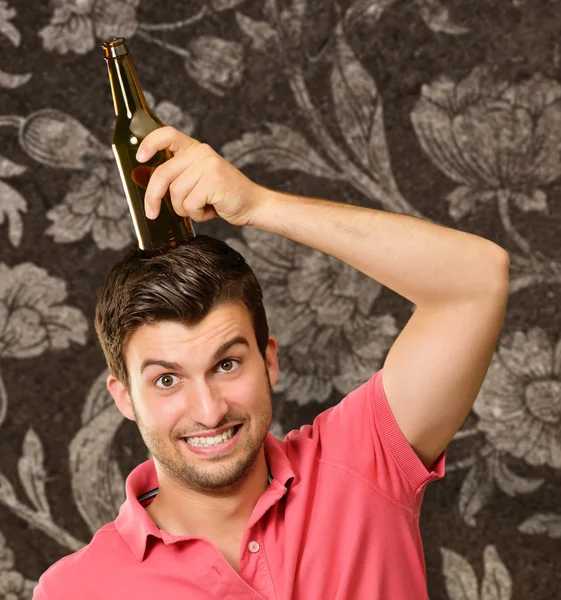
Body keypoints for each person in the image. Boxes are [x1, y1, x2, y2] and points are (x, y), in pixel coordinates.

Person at [32, 127, 510, 600]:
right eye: (167, 379)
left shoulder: (364, 459)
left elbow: (476, 279)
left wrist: (260, 205)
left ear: (269, 361)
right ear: (125, 397)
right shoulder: (74, 590)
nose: (208, 410)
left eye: (226, 366)